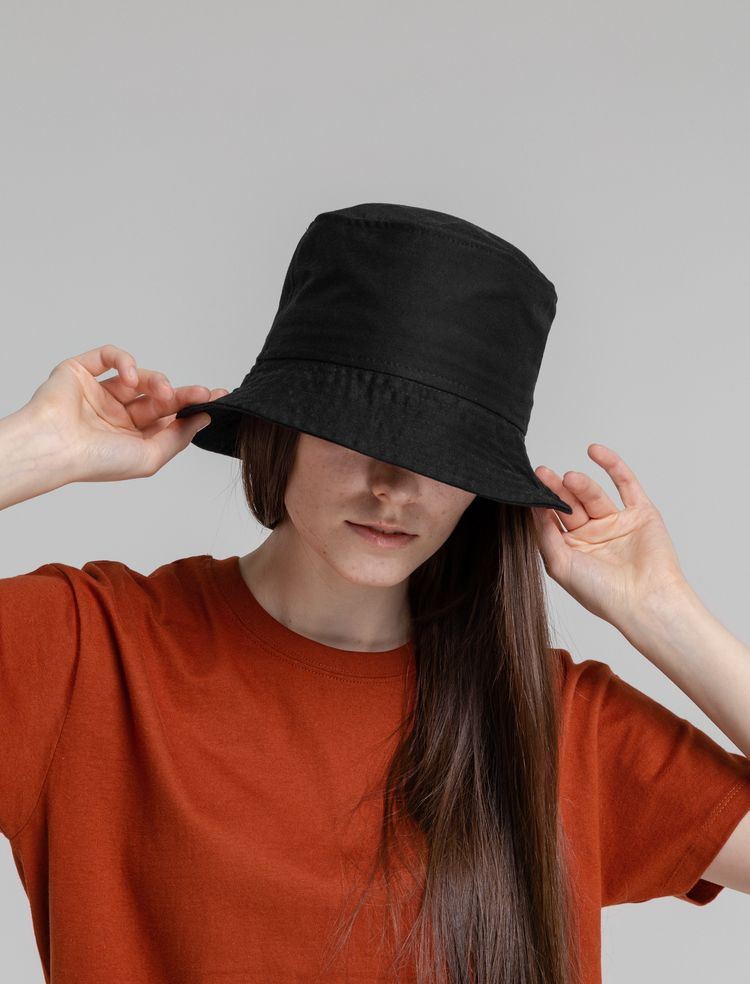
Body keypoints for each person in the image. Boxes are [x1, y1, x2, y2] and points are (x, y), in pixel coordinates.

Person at [2, 207, 750, 984]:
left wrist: (661, 610)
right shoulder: (89, 654)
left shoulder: (548, 721)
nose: (395, 488)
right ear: (283, 426)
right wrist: (31, 449)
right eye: (355, 433)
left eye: (444, 454)